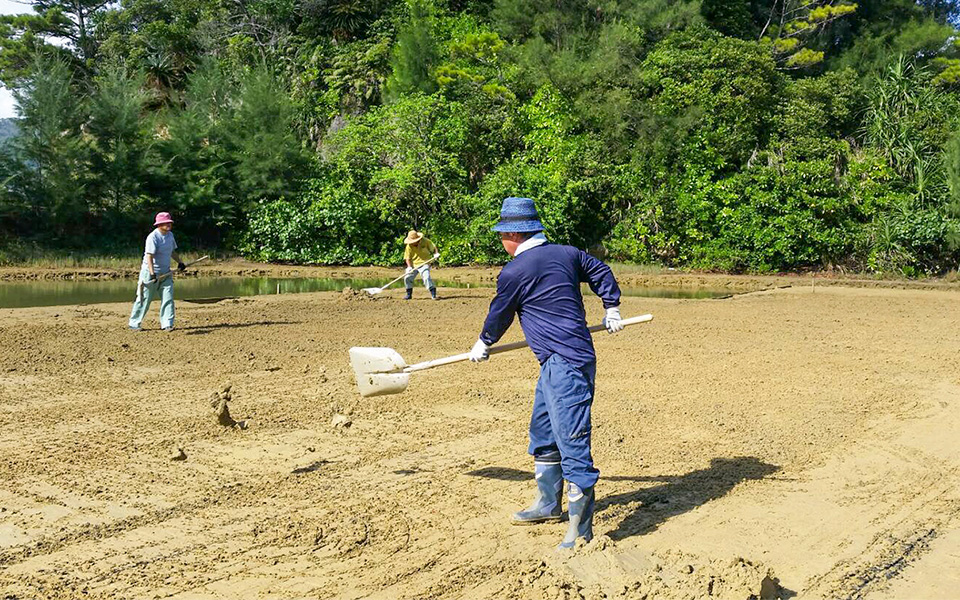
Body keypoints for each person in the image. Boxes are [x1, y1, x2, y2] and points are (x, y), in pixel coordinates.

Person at [467, 197, 624, 549]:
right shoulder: (567, 253)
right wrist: (611, 305)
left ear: (514, 235)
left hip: (566, 362)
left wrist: (484, 341)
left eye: (501, 237)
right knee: (543, 430)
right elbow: (601, 272)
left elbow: (500, 312)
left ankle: (580, 530)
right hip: (554, 363)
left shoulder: (515, 270)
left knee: (572, 441)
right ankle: (548, 503)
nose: (501, 244)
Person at [128, 212, 185, 331]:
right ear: (159, 225)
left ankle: (167, 324)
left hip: (166, 272)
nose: (168, 224)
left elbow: (172, 252)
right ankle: (134, 323)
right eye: (165, 223)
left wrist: (180, 262)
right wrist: (152, 273)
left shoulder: (170, 236)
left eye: (169, 222)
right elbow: (149, 256)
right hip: (150, 273)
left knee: (168, 298)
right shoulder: (153, 237)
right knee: (144, 299)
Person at [403, 229, 440, 300]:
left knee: (426, 277)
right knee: (407, 278)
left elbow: (434, 247)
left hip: (425, 263)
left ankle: (433, 293)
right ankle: (409, 294)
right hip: (414, 265)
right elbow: (407, 258)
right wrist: (409, 267)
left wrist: (436, 253)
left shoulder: (425, 241)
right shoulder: (409, 246)